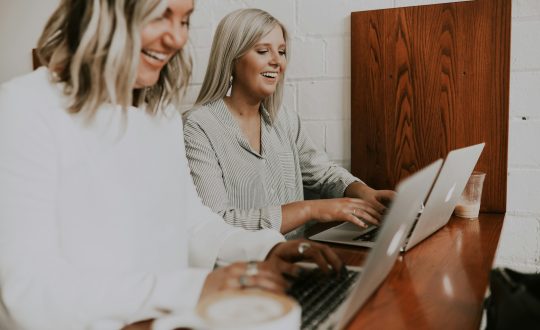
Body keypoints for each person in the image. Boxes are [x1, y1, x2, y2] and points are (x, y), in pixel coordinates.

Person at [0, 1, 342, 329]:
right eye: (160, 15)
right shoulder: (25, 108)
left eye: (184, 20)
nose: (177, 38)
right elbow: (28, 294)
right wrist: (192, 289)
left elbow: (192, 224)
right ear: (105, 10)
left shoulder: (160, 115)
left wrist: (266, 249)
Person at [183, 9, 395, 238]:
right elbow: (217, 224)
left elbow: (322, 173)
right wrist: (310, 210)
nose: (277, 61)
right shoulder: (198, 127)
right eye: (263, 51)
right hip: (244, 268)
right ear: (232, 58)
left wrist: (364, 192)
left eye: (282, 52)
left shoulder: (285, 120)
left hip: (298, 259)